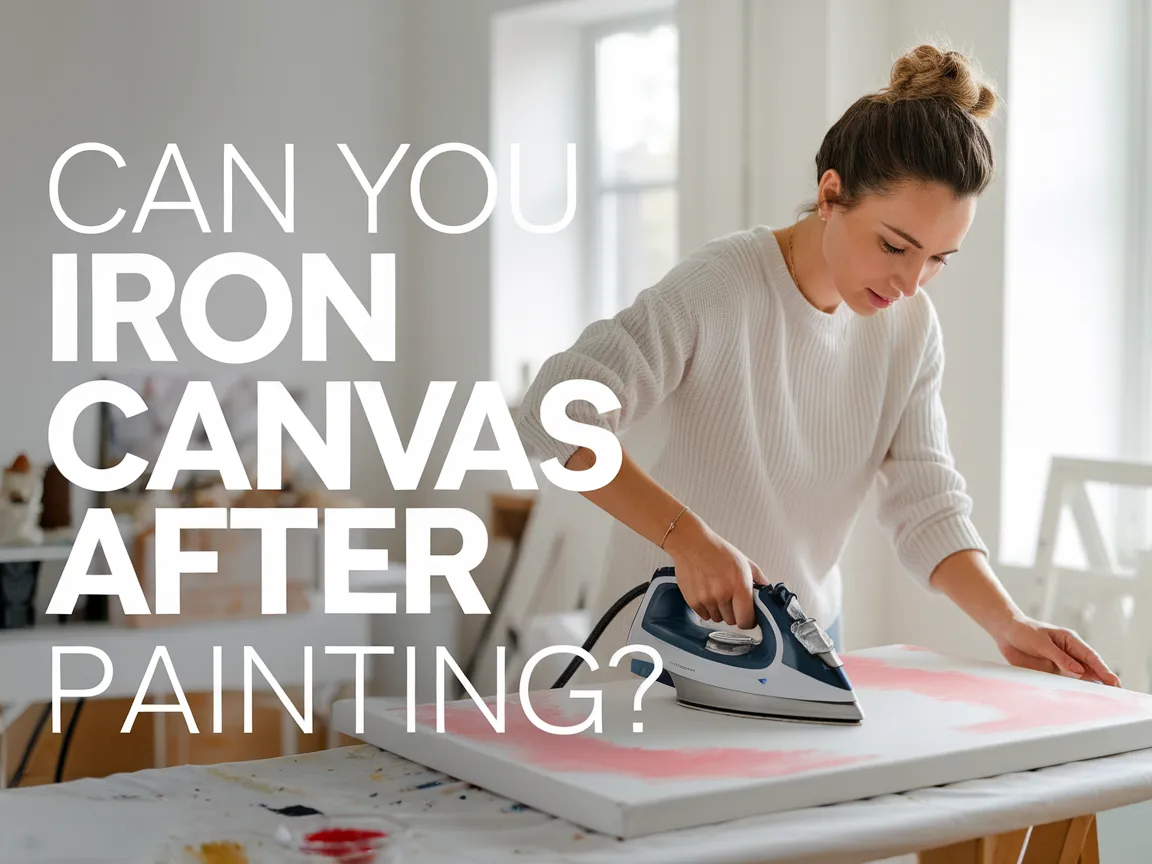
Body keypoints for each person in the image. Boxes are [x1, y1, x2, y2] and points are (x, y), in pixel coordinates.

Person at [513, 43, 1120, 688]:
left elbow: (927, 502)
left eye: (939, 258)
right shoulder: (724, 287)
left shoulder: (909, 327)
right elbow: (553, 412)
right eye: (894, 245)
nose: (911, 282)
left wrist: (1010, 623)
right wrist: (685, 539)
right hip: (659, 648)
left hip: (806, 639)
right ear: (831, 194)